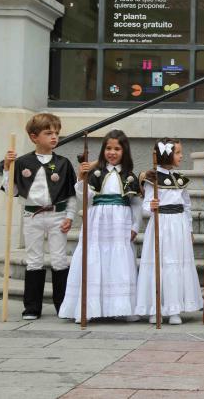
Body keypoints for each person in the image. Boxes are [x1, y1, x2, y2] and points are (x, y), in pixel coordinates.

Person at [0, 113, 76, 319]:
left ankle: (64, 306)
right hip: (32, 216)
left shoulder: (64, 163)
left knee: (59, 259)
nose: (54, 137)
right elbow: (11, 191)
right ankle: (32, 307)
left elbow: (71, 193)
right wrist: (7, 168)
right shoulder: (23, 162)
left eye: (56, 133)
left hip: (57, 215)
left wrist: (70, 215)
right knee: (34, 260)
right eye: (48, 133)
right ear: (34, 137)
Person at [59, 130, 141, 322]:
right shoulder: (95, 173)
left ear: (124, 151)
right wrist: (81, 177)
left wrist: (135, 226)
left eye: (117, 149)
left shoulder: (129, 176)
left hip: (120, 222)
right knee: (94, 259)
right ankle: (88, 308)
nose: (112, 152)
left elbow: (136, 204)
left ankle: (121, 308)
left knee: (118, 261)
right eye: (108, 148)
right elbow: (84, 198)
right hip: (97, 222)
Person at [136, 138, 202, 325]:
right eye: (178, 153)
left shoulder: (180, 179)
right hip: (161, 224)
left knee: (176, 263)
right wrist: (152, 206)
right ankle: (155, 308)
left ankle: (174, 309)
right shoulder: (152, 178)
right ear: (167, 155)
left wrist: (189, 228)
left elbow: (187, 206)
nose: (181, 156)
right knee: (160, 264)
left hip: (178, 224)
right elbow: (145, 208)